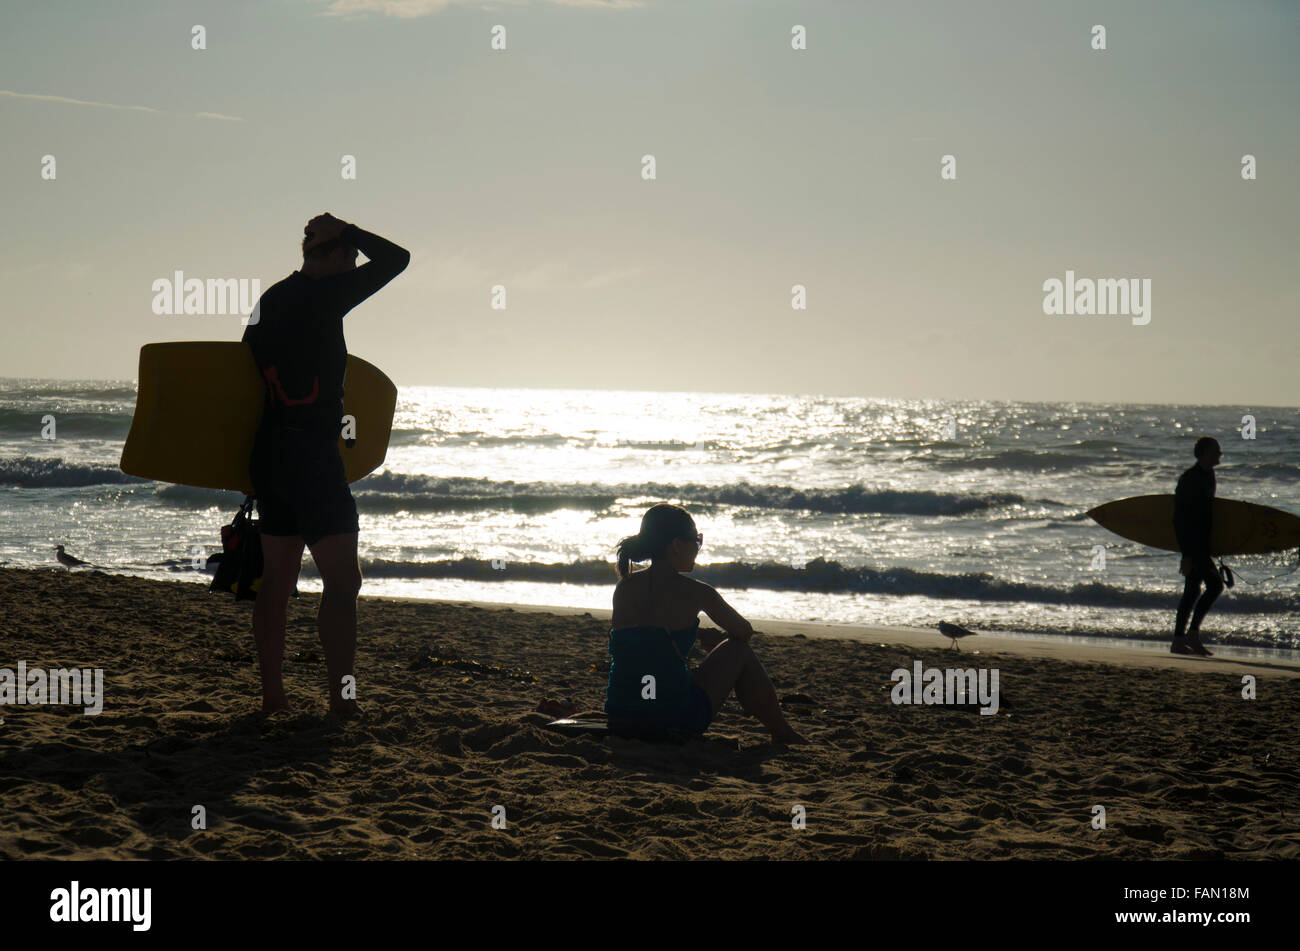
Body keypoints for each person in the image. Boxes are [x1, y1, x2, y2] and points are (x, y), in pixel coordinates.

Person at [241, 213, 409, 714]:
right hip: (312, 458)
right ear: (335, 256)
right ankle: (341, 700)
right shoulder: (326, 295)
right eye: (349, 256)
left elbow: (245, 371)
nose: (354, 264)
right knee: (343, 582)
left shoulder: (270, 299)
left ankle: (274, 697)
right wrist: (349, 230)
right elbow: (397, 260)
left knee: (277, 579)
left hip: (270, 454)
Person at [607, 503, 807, 744]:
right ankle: (781, 731)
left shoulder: (624, 587)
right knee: (738, 650)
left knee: (656, 675)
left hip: (622, 714)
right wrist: (717, 640)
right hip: (670, 720)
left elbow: (645, 638)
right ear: (677, 545)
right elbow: (744, 631)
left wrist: (696, 633)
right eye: (697, 540)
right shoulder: (699, 593)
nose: (698, 547)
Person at [1171, 436, 1223, 656]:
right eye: (1216, 452)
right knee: (1214, 586)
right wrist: (1186, 555)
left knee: (1192, 591)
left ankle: (1181, 639)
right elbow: (1179, 519)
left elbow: (1207, 515)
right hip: (1193, 545)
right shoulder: (1189, 479)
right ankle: (1188, 635)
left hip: (1202, 544)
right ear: (1204, 454)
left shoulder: (1209, 476)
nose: (1220, 455)